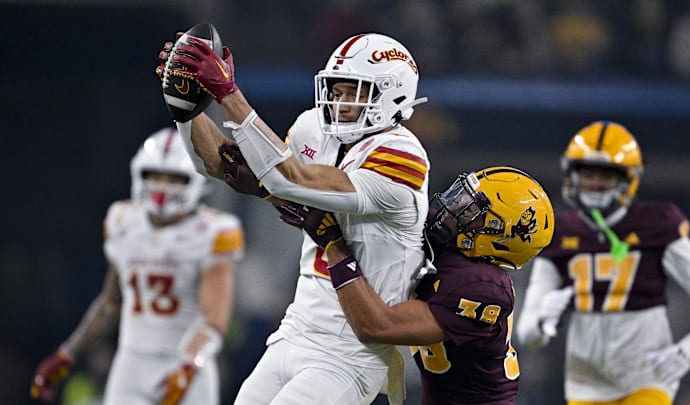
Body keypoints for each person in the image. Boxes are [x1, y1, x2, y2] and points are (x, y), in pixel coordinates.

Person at [160, 32, 430, 404]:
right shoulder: (314, 128)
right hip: (296, 328)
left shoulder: (402, 156)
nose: (340, 102)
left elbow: (289, 178)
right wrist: (186, 108)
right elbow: (224, 165)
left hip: (349, 353)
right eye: (337, 90)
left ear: (393, 94)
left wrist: (227, 93)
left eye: (355, 91)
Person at [278, 166, 555, 404]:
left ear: (502, 236)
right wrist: (271, 187)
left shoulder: (483, 288)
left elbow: (376, 326)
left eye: (473, 211)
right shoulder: (448, 241)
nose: (455, 207)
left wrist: (334, 246)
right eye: (463, 197)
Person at [30, 128, 245, 405]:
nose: (162, 186)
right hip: (132, 363)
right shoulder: (123, 221)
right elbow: (110, 305)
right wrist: (67, 353)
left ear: (193, 181)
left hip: (185, 364)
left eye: (173, 178)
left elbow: (214, 321)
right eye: (154, 176)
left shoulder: (213, 231)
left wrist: (189, 366)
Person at [515, 121, 690, 404]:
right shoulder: (559, 233)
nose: (595, 183)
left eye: (605, 175)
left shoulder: (655, 225)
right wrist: (543, 320)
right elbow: (527, 335)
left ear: (628, 179)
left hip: (646, 378)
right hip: (585, 383)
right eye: (587, 173)